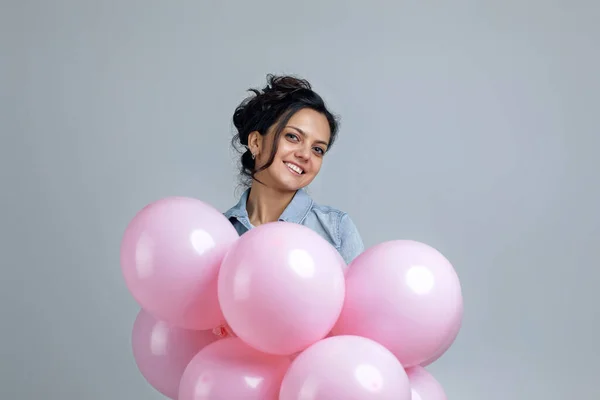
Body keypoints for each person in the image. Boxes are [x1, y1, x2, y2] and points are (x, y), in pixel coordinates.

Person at [223, 74, 364, 265]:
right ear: (256, 142)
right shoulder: (220, 232)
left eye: (317, 149)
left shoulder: (336, 229)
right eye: (293, 137)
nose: (305, 155)